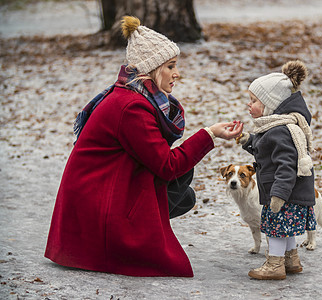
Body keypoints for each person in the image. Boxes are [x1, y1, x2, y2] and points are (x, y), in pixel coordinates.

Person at [45, 16, 243, 277]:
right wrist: (209, 134)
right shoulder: (132, 107)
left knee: (185, 190)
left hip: (97, 196)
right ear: (152, 69)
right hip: (95, 209)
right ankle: (128, 241)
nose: (177, 73)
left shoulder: (131, 95)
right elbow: (167, 166)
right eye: (170, 66)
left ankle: (142, 228)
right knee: (179, 175)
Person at [236, 60, 316, 280]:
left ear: (271, 104)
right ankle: (291, 260)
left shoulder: (280, 131)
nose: (249, 105)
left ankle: (274, 265)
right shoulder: (273, 129)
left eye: (254, 101)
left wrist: (279, 195)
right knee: (285, 228)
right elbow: (266, 152)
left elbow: (286, 166)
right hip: (286, 193)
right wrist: (247, 140)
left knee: (277, 229)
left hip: (284, 194)